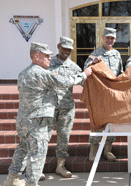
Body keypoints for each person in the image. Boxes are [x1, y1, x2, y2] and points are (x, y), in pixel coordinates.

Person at [2, 42, 92, 186]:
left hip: (24, 120)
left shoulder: (23, 72)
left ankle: (12, 178)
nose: (50, 59)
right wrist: (84, 74)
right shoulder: (41, 73)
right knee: (37, 155)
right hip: (37, 121)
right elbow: (66, 81)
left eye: (50, 56)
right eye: (46, 56)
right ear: (36, 56)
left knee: (22, 149)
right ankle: (32, 183)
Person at [45, 36, 85, 178]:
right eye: (64, 48)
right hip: (48, 106)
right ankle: (37, 168)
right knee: (44, 136)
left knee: (63, 137)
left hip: (66, 108)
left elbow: (85, 81)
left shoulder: (74, 67)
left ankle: (60, 166)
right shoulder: (48, 63)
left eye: (69, 49)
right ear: (58, 47)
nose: (66, 52)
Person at [84, 27, 124, 162]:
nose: (110, 40)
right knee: (97, 122)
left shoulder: (117, 54)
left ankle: (108, 149)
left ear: (115, 39)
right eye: (107, 37)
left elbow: (120, 72)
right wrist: (92, 63)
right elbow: (86, 68)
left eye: (112, 38)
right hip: (99, 95)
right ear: (103, 38)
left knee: (111, 122)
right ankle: (94, 149)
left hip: (112, 94)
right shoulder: (96, 53)